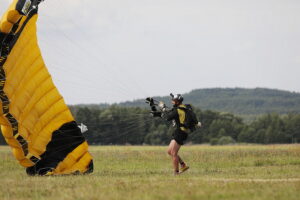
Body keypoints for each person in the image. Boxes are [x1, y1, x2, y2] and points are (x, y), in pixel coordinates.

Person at [146, 94, 201, 175]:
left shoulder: (177, 110)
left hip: (181, 133)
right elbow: (171, 113)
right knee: (169, 151)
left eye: (173, 101)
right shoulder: (184, 107)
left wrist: (162, 108)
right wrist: (161, 109)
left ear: (177, 102)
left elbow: (168, 117)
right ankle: (183, 165)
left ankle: (176, 172)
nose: (172, 102)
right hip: (180, 132)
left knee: (174, 153)